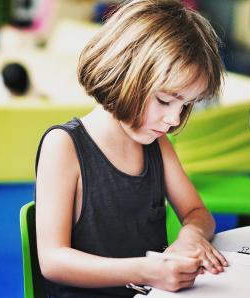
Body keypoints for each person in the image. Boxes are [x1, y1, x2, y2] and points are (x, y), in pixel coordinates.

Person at [34, 1, 228, 297]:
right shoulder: (64, 146)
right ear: (124, 75)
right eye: (165, 101)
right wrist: (146, 271)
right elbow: (53, 261)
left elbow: (197, 212)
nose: (174, 119)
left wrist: (191, 234)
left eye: (185, 104)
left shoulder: (157, 143)